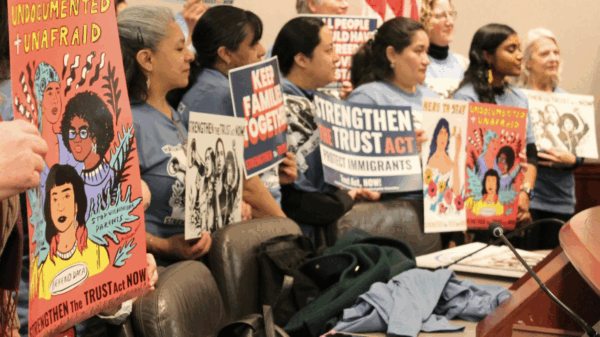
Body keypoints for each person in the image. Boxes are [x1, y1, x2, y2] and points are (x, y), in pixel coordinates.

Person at [175, 5, 294, 217]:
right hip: (252, 224)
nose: (262, 50)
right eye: (253, 43)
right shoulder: (218, 95)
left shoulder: (214, 86)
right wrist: (287, 226)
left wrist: (273, 168)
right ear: (226, 54)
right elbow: (229, 182)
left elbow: (246, 171)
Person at [118, 5, 214, 267]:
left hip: (191, 267)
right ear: (147, 60)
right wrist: (165, 246)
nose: (190, 57)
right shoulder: (127, 124)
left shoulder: (170, 111)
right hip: (155, 275)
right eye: (179, 48)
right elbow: (110, 219)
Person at [272, 17, 382, 236]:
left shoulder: (325, 101)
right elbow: (294, 198)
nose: (337, 58)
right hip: (300, 231)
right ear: (302, 59)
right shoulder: (278, 107)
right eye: (329, 50)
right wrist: (342, 200)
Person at [453, 23, 538, 229]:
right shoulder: (465, 97)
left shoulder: (519, 98)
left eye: (519, 49)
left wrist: (525, 193)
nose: (520, 56)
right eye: (511, 50)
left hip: (511, 206)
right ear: (488, 56)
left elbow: (532, 152)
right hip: (470, 208)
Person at [348, 17, 437, 200]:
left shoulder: (434, 99)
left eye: (427, 52)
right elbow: (352, 160)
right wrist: (402, 147)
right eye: (418, 51)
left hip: (436, 203)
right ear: (392, 54)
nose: (426, 60)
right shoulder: (367, 97)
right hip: (391, 206)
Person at [517, 28, 584, 249]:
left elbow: (581, 151)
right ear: (527, 62)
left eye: (556, 53)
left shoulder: (569, 101)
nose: (553, 58)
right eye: (544, 53)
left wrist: (572, 160)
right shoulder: (516, 98)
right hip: (526, 199)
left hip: (562, 199)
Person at [32, 165, 110, 300]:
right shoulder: (39, 269)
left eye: (66, 196)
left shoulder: (98, 253)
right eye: (54, 199)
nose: (60, 206)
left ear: (77, 205)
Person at [419, 0, 467, 97]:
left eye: (451, 14)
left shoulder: (464, 64)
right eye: (440, 16)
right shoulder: (416, 63)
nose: (449, 22)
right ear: (423, 20)